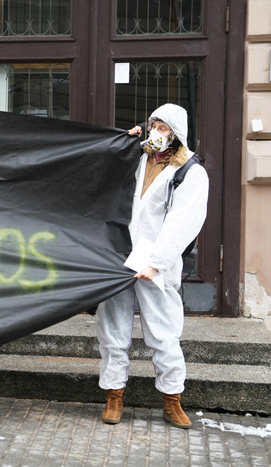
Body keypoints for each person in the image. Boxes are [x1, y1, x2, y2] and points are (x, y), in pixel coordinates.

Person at [96, 103, 209, 429]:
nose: (155, 132)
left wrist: (157, 263)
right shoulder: (138, 158)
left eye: (163, 128)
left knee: (164, 333)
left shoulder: (190, 172)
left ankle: (172, 399)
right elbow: (99, 172)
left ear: (177, 134)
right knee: (113, 329)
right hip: (119, 257)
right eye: (153, 125)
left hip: (156, 264)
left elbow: (183, 222)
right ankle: (114, 395)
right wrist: (122, 142)